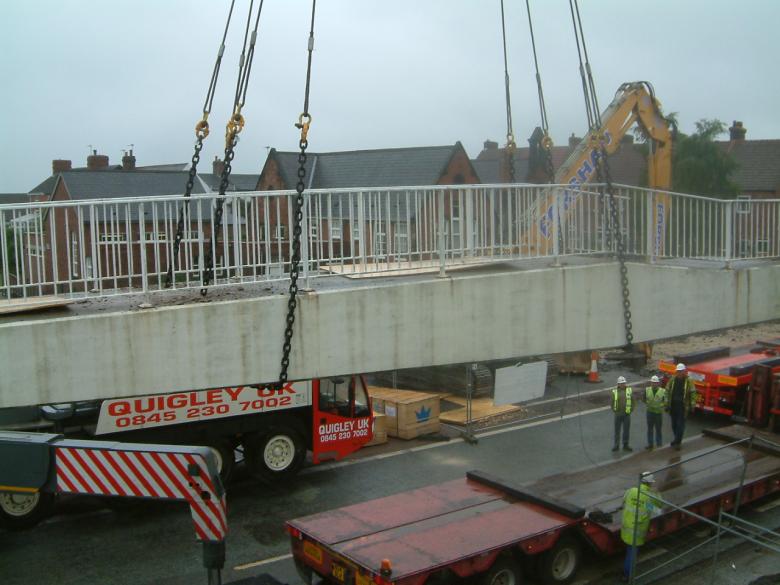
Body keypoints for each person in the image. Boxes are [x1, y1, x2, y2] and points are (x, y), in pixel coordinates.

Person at [621, 473, 662, 582]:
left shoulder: (631, 491)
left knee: (629, 552)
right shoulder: (650, 496)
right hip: (637, 532)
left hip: (626, 528)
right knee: (632, 554)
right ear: (650, 483)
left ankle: (626, 573)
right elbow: (659, 506)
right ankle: (628, 576)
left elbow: (624, 502)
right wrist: (656, 492)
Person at [665, 363, 698, 450]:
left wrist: (692, 404)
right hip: (673, 405)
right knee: (674, 424)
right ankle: (677, 439)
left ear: (684, 372)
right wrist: (666, 403)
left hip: (683, 406)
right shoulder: (672, 379)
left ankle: (677, 441)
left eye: (681, 371)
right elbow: (667, 391)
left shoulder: (689, 381)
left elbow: (693, 392)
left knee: (680, 425)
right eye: (678, 371)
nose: (679, 373)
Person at [611, 376, 634, 452]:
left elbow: (633, 402)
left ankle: (625, 445)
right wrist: (615, 411)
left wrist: (630, 410)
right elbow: (612, 403)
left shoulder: (629, 391)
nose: (622, 385)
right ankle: (616, 445)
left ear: (625, 383)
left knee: (626, 431)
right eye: (620, 383)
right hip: (618, 414)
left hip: (626, 414)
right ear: (618, 384)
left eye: (623, 383)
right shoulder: (614, 392)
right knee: (617, 431)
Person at [643, 375, 666, 450]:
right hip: (650, 412)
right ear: (651, 383)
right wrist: (648, 404)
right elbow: (643, 399)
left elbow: (665, 401)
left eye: (655, 383)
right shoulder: (647, 390)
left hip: (658, 413)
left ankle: (659, 444)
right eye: (653, 382)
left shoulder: (662, 391)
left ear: (658, 383)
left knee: (658, 429)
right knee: (650, 429)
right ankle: (650, 444)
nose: (654, 384)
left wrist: (661, 405)